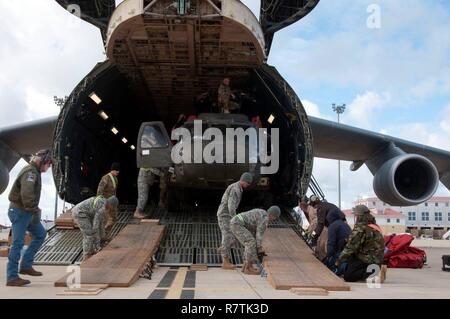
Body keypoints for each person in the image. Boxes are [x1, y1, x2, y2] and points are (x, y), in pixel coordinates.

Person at [6, 149, 53, 287]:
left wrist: (32, 210)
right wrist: (34, 209)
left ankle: (26, 265)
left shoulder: (35, 171)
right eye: (48, 164)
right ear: (43, 161)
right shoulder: (31, 172)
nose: (48, 168)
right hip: (20, 211)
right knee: (18, 243)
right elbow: (26, 194)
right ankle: (12, 277)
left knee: (40, 234)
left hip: (26, 211)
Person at [336, 205, 387, 283]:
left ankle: (375, 272)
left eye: (356, 215)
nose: (355, 217)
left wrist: (338, 261)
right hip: (376, 259)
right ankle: (374, 269)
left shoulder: (361, 228)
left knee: (349, 276)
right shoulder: (374, 226)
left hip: (368, 259)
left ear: (359, 215)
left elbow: (350, 247)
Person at [230, 206, 281, 275]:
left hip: (236, 222)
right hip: (237, 224)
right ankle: (247, 268)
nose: (273, 220)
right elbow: (259, 235)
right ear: (273, 215)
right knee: (250, 242)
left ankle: (246, 266)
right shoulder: (265, 219)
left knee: (251, 242)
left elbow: (253, 231)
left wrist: (256, 249)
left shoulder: (262, 212)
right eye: (275, 218)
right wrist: (259, 248)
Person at [217, 172, 253, 270]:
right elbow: (231, 206)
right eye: (248, 183)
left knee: (233, 237)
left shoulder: (238, 188)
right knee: (227, 235)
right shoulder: (235, 189)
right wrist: (235, 219)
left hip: (227, 215)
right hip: (225, 215)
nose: (248, 186)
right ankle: (225, 261)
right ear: (244, 181)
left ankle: (223, 248)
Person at [72, 195, 119, 261]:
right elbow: (96, 227)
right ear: (110, 204)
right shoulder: (102, 207)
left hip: (87, 214)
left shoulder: (104, 204)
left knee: (93, 232)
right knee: (89, 234)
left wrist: (103, 237)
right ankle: (86, 255)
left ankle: (91, 250)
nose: (112, 209)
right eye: (113, 207)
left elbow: (101, 224)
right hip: (80, 213)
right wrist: (98, 246)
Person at [309, 195, 345, 260]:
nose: (314, 208)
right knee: (339, 244)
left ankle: (330, 260)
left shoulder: (321, 208)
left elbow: (320, 225)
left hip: (336, 227)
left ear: (314, 204)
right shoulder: (327, 205)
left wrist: (313, 236)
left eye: (313, 206)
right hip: (343, 225)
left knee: (331, 244)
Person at [325, 208, 352, 274]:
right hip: (349, 250)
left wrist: (329, 255)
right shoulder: (345, 224)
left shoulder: (333, 226)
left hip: (341, 250)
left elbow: (331, 242)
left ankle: (338, 271)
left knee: (330, 262)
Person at [97, 162, 120, 233]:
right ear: (113, 170)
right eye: (116, 170)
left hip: (112, 202)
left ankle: (106, 231)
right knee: (106, 219)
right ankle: (102, 233)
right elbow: (100, 190)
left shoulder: (115, 178)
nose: (118, 172)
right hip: (106, 202)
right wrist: (99, 201)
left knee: (114, 218)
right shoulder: (105, 178)